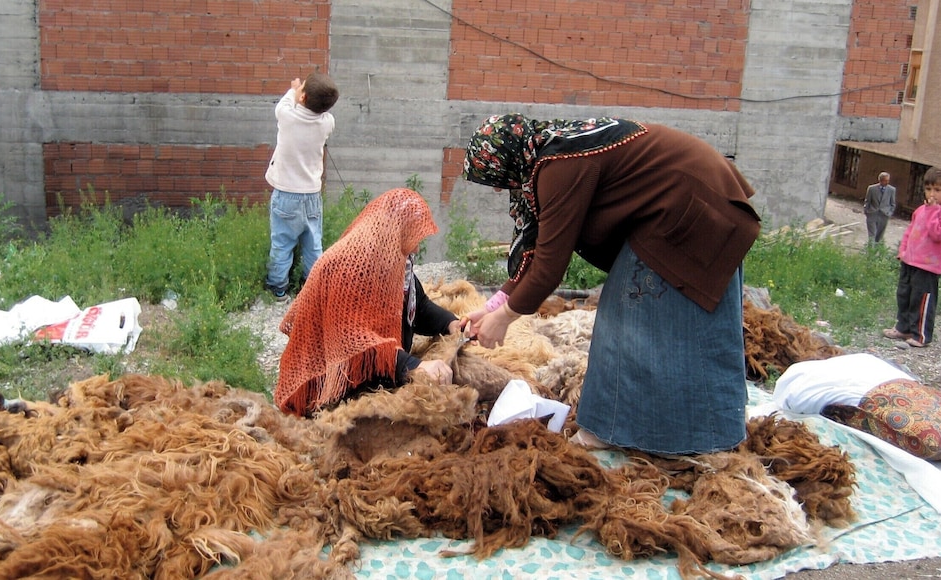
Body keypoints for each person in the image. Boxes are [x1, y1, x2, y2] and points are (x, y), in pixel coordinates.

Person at [461, 114, 761, 456]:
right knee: (686, 330)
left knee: (626, 322)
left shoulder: (559, 166)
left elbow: (549, 266)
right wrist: (491, 308)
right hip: (696, 205)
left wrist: (506, 317)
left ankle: (616, 431)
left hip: (690, 214)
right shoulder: (552, 149)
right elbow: (537, 249)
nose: (499, 187)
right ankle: (705, 430)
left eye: (494, 176)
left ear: (509, 158)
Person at [274, 188, 466, 417]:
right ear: (396, 230)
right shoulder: (349, 266)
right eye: (414, 238)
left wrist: (451, 323)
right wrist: (414, 366)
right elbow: (353, 341)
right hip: (328, 383)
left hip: (364, 368)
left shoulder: (392, 258)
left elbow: (418, 306)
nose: (416, 248)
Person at [264, 72, 339, 302]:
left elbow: (285, 103)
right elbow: (317, 110)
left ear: (303, 97)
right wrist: (304, 93)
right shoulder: (327, 123)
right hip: (312, 195)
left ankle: (278, 289)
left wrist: (294, 89)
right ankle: (312, 288)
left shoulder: (287, 116)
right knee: (313, 243)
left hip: (286, 195)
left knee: (282, 244)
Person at [883, 167, 941, 348]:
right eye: (929, 189)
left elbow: (938, 233)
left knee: (921, 300)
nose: (932, 194)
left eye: (938, 190)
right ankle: (903, 327)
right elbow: (910, 231)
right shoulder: (921, 210)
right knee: (904, 295)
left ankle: (921, 335)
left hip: (928, 266)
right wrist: (903, 250)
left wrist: (933, 211)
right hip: (910, 260)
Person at [864, 172, 897, 244]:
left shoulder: (892, 190)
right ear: (880, 180)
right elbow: (867, 201)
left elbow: (892, 204)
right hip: (872, 214)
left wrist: (889, 213)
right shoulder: (872, 189)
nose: (887, 182)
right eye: (885, 180)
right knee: (872, 235)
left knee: (879, 237)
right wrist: (867, 211)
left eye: (888, 180)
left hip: (884, 215)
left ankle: (876, 252)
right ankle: (870, 251)